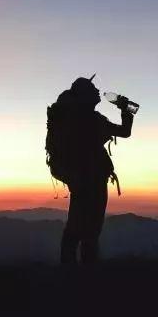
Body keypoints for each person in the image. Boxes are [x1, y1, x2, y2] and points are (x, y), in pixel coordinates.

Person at [46, 76, 135, 265]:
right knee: (91, 229)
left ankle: (69, 270)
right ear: (85, 95)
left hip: (78, 178)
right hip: (92, 178)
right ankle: (87, 273)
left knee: (76, 224)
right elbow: (125, 132)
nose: (97, 91)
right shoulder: (91, 119)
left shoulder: (72, 117)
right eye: (93, 88)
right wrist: (126, 109)